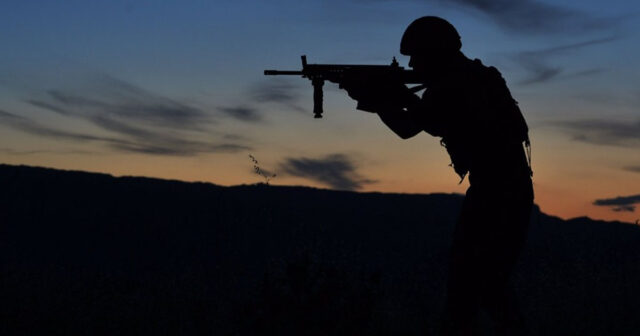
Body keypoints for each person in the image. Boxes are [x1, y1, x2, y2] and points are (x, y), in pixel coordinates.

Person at [341, 16, 534, 336]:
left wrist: (374, 98)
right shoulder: (471, 77)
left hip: (496, 193)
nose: (413, 63)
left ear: (436, 52)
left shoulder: (453, 84)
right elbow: (428, 121)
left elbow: (409, 127)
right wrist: (389, 95)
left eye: (417, 56)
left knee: (472, 284)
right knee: (485, 284)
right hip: (505, 190)